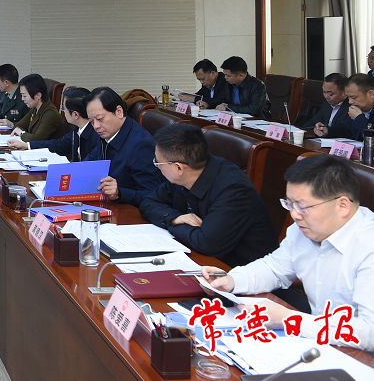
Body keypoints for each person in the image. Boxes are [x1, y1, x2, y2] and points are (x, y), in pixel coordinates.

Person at [201, 155, 374, 351]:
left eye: (302, 206)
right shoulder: (305, 230)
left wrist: (289, 319)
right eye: (290, 204)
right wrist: (232, 280)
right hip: (321, 342)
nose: (294, 214)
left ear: (342, 205)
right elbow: (274, 269)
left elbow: (369, 331)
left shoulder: (368, 246)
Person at [139, 124, 278, 268]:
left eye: (158, 163)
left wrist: (172, 224)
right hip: (202, 260)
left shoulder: (234, 191)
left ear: (178, 167)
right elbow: (148, 202)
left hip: (241, 271)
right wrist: (174, 218)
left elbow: (206, 243)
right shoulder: (187, 175)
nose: (157, 166)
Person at [83, 86, 164, 206]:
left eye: (100, 119)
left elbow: (152, 194)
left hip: (130, 210)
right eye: (91, 121)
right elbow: (89, 162)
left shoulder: (141, 145)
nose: (96, 126)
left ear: (119, 112)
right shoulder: (108, 133)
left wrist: (119, 193)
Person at [25, 88, 98, 161]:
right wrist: (27, 145)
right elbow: (59, 145)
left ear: (75, 114)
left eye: (64, 108)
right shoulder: (77, 128)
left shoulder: (97, 136)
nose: (63, 111)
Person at [6, 74, 67, 146]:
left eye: (24, 96)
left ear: (38, 96)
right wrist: (25, 134)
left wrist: (21, 133)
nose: (22, 99)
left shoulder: (50, 113)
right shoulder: (35, 108)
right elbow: (18, 126)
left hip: (49, 151)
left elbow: (36, 140)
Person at [340, 73, 374, 140]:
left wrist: (358, 118)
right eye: (348, 97)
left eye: (353, 97)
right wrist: (327, 130)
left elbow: (371, 133)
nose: (350, 102)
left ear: (371, 94)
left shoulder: (357, 114)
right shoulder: (358, 109)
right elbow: (345, 129)